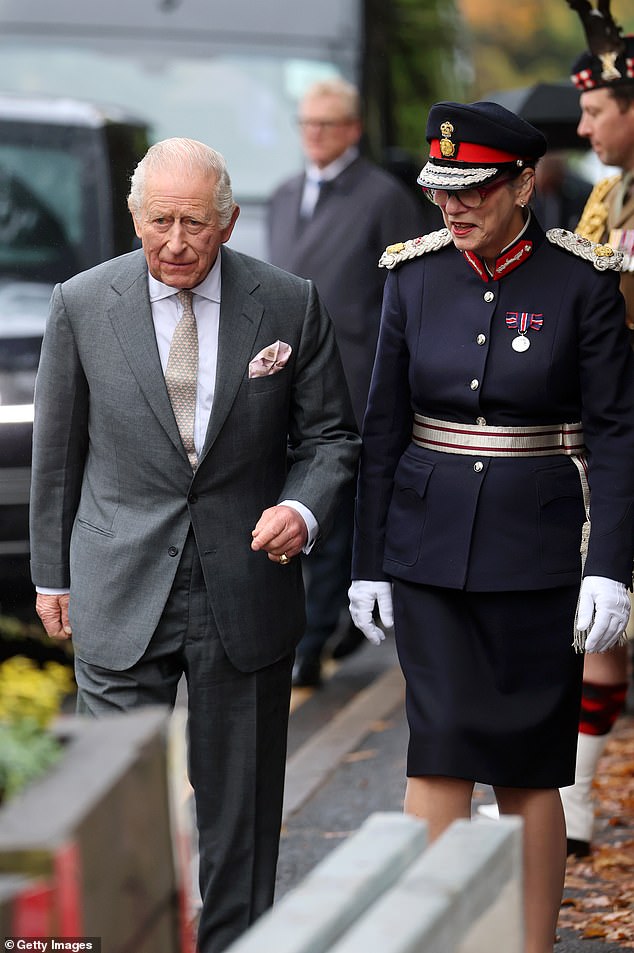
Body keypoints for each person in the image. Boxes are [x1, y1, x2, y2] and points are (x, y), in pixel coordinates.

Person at [29, 138, 360, 953]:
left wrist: (301, 509)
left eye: (195, 224)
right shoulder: (81, 302)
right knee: (112, 798)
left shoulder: (289, 303)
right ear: (134, 219)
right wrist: (51, 575)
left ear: (230, 223)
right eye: (159, 222)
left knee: (239, 811)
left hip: (244, 584)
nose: (175, 242)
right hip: (117, 577)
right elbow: (58, 449)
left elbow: (331, 437)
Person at [348, 100, 634, 953]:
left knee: (527, 767)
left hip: (539, 553)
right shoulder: (413, 274)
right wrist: (369, 562)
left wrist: (610, 566)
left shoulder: (580, 281)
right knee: (436, 750)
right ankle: (434, 940)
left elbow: (618, 434)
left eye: (472, 190)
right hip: (428, 550)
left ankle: (525, 943)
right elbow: (383, 430)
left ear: (521, 183)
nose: (453, 207)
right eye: (441, 192)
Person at [267, 77, 431, 687]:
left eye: (327, 125)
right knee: (287, 508)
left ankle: (311, 644)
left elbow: (406, 293)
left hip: (356, 377)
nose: (315, 135)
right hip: (282, 377)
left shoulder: (383, 197)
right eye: (307, 124)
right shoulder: (284, 194)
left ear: (353, 130)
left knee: (333, 515)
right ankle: (294, 634)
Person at [559, 1, 634, 858]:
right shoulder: (609, 192)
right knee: (601, 620)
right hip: (609, 426)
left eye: (597, 109)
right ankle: (574, 797)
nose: (584, 125)